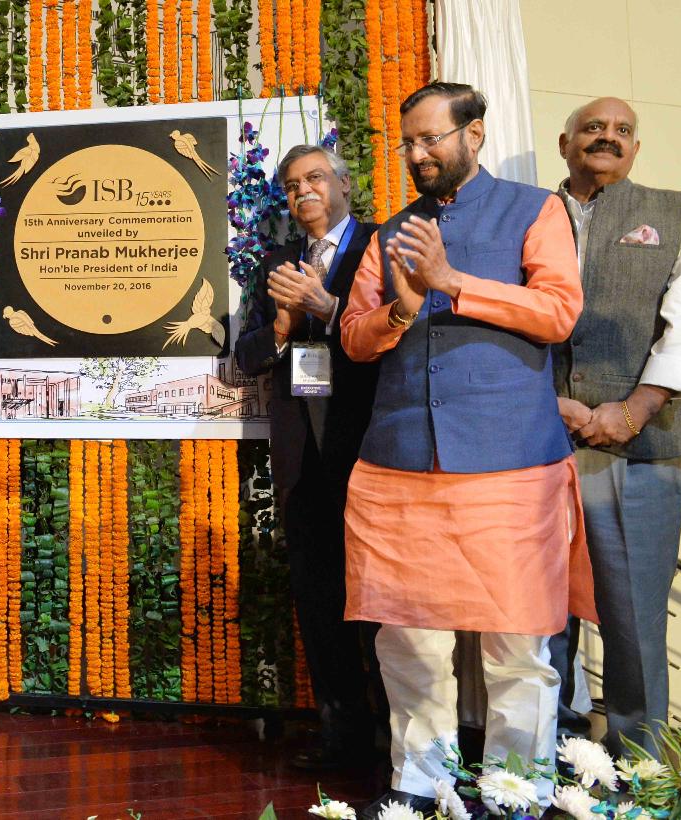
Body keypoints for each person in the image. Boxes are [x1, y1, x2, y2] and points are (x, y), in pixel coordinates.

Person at [338, 83, 596, 816]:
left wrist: (454, 283)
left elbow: (559, 311)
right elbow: (354, 337)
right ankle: (421, 782)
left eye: (431, 139)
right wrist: (399, 311)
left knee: (517, 642)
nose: (417, 154)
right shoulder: (392, 231)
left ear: (473, 135)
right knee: (407, 637)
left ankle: (518, 791)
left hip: (511, 461)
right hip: (400, 463)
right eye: (408, 143)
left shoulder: (533, 210)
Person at [551, 97, 681, 755]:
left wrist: (634, 409)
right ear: (565, 142)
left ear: (637, 149)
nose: (608, 137)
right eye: (593, 127)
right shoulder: (529, 214)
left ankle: (639, 765)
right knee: (536, 613)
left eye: (623, 130)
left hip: (641, 443)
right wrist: (547, 404)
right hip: (537, 440)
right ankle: (544, 760)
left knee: (634, 615)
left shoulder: (677, 212)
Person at [235, 144, 386, 771]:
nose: (304, 192)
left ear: (345, 185)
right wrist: (283, 324)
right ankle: (343, 741)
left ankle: (401, 745)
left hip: (374, 451)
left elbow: (404, 333)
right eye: (293, 185)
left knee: (383, 606)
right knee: (321, 601)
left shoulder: (381, 245)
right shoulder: (275, 264)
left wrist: (328, 307)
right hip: (304, 461)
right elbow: (245, 356)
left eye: (315, 178)